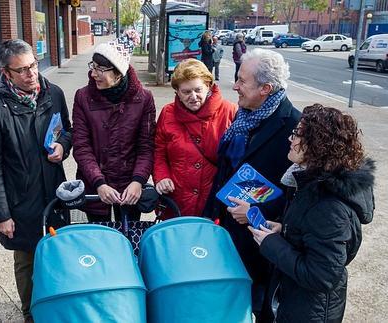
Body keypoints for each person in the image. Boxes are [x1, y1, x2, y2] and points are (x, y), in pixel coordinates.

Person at [249, 104, 375, 322]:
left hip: (309, 311)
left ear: (318, 144)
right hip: (298, 301)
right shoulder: (312, 182)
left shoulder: (329, 207)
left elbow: (322, 275)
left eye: (297, 134)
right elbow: (310, 234)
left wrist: (272, 243)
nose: (290, 139)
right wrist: (284, 230)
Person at [202, 48, 301, 322]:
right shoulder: (244, 116)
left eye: (242, 81)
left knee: (257, 308)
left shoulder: (295, 127)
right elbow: (226, 170)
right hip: (228, 229)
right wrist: (209, 216)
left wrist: (257, 209)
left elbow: (301, 196)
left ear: (266, 89)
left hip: (263, 244)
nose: (234, 86)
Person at [0, 39, 72, 323]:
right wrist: (1, 215)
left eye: (33, 65)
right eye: (22, 70)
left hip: (53, 191)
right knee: (27, 259)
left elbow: (67, 130)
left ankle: (55, 304)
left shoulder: (53, 93)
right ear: (6, 73)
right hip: (20, 198)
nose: (31, 74)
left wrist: (63, 147)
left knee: (57, 251)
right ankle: (31, 312)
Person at [72, 29, 156, 222]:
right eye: (93, 66)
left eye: (100, 69)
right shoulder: (83, 97)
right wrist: (98, 182)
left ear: (119, 73)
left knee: (128, 238)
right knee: (99, 239)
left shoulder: (143, 99)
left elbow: (146, 147)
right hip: (95, 184)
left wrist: (138, 181)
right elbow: (82, 146)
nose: (93, 73)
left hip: (129, 187)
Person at [153, 58, 236, 218]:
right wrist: (162, 176)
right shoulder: (168, 113)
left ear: (208, 86)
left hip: (214, 201)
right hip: (176, 199)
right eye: (186, 92)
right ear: (176, 91)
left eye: (198, 90)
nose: (193, 96)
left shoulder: (230, 112)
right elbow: (159, 152)